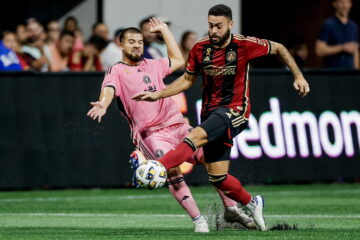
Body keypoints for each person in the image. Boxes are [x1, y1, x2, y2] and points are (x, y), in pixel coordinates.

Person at [133, 4, 310, 231]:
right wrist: (159, 93)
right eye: (210, 26)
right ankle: (252, 202)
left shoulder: (244, 44)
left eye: (219, 26)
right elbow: (187, 80)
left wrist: (298, 76)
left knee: (195, 135)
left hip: (235, 111)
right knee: (218, 177)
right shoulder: (199, 48)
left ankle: (157, 167)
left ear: (230, 24)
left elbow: (280, 48)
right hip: (209, 114)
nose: (214, 31)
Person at [87, 18, 256, 232]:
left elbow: (178, 61)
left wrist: (165, 31)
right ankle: (199, 221)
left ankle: (231, 209)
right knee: (173, 173)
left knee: (211, 161)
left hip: (177, 124)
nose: (137, 45)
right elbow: (109, 89)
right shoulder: (117, 70)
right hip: (151, 133)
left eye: (140, 41)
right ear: (121, 45)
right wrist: (103, 104)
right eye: (131, 41)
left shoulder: (153, 64)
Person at [316, 0, 359, 69]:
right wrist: (342, 47)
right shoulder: (328, 25)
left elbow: (355, 51)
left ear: (350, 4)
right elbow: (319, 51)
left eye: (347, 2)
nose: (344, 6)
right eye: (341, 2)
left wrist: (357, 72)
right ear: (335, 4)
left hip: (350, 73)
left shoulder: (354, 26)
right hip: (333, 73)